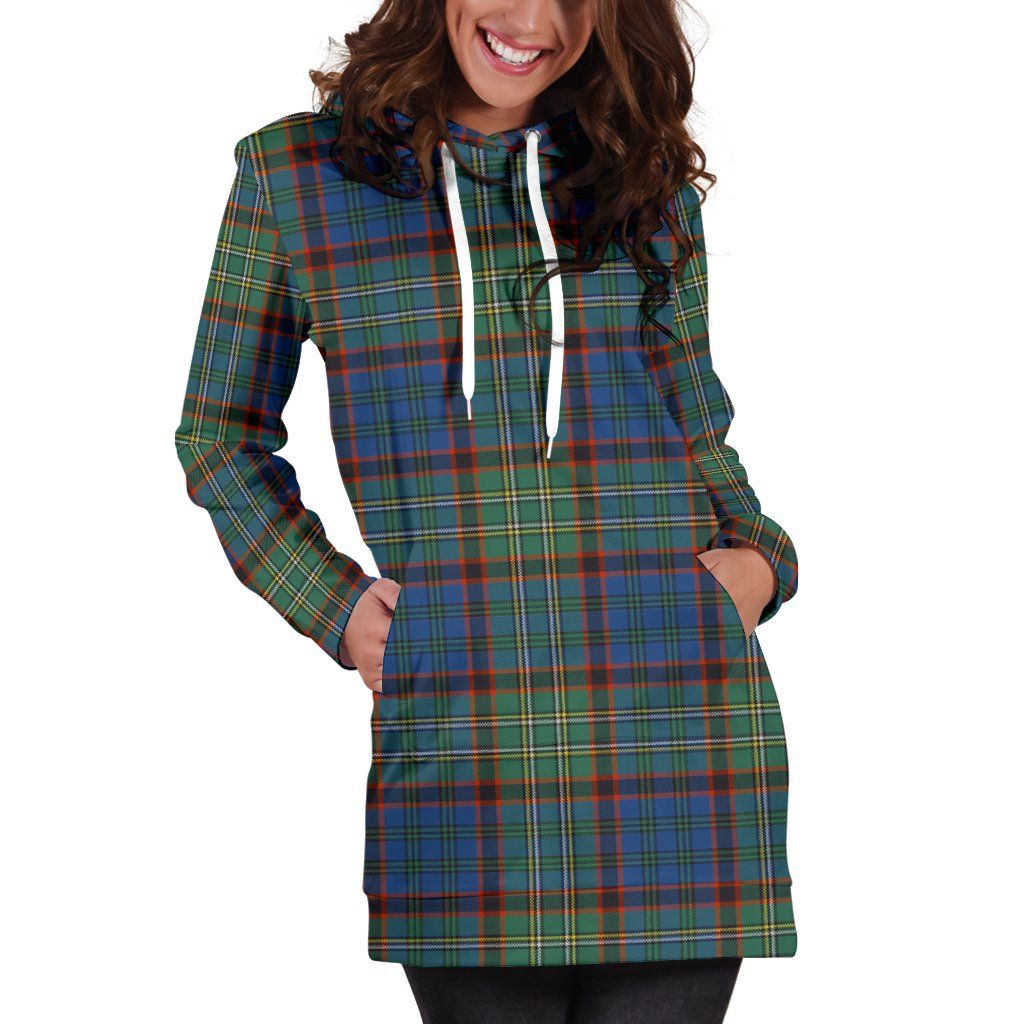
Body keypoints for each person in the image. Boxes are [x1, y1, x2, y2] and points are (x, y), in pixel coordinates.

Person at [173, 1, 799, 1020]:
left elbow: (696, 424)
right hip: (464, 741)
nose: (533, 18)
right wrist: (334, 607)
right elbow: (219, 434)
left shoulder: (638, 173)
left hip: (678, 737)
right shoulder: (296, 177)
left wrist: (762, 560)